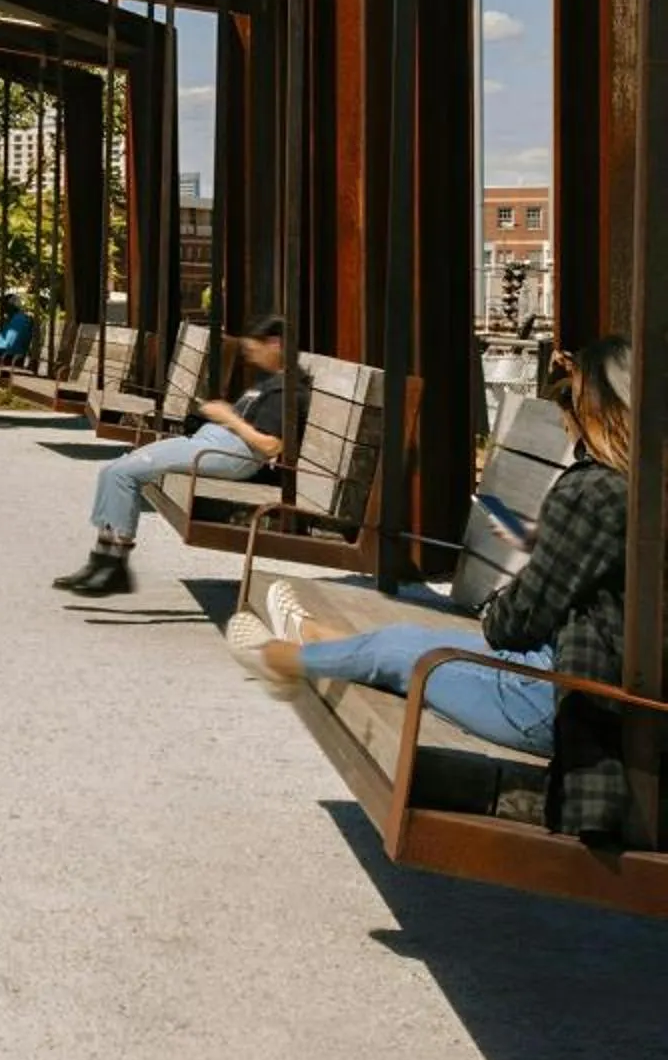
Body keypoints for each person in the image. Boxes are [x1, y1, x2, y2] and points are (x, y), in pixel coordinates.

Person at [229, 337, 634, 839]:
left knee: (404, 652)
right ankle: (322, 641)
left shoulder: (596, 491)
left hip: (564, 703)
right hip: (601, 688)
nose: (565, 418)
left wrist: (514, 591)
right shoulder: (642, 487)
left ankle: (282, 662)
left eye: (567, 401)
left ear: (598, 408)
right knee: (402, 639)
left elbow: (513, 626)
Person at [52, 316, 288, 597]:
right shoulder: (269, 382)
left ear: (275, 344)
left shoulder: (285, 389)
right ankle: (102, 558)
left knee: (123, 474)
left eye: (255, 348)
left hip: (233, 452)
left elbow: (271, 445)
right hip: (216, 441)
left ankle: (115, 563)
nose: (249, 355)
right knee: (113, 470)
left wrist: (228, 417)